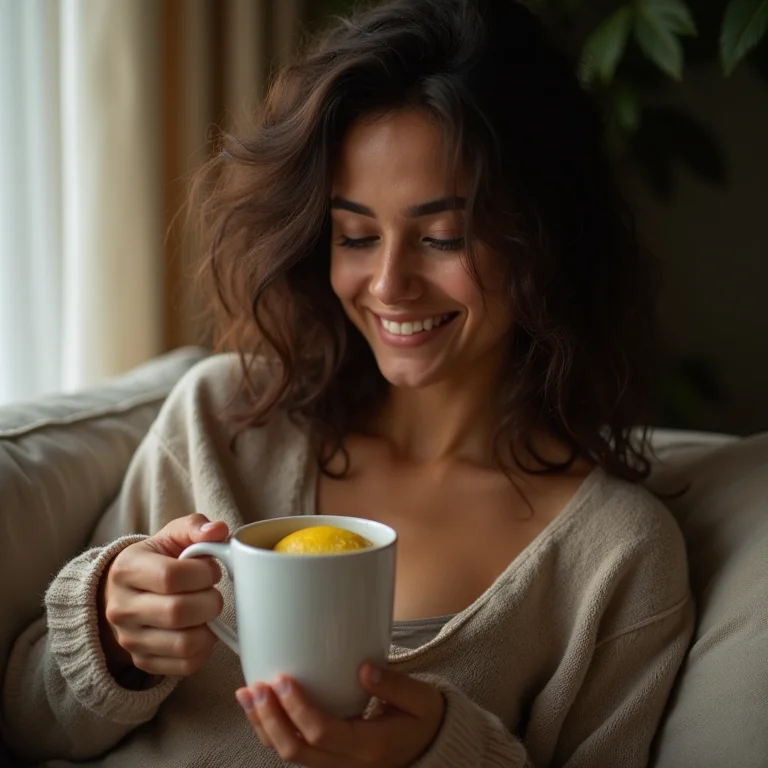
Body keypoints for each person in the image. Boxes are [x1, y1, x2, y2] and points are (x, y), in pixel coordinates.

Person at [2, 0, 694, 766]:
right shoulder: (222, 422)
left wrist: (440, 750)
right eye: (356, 236)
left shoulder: (617, 558)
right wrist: (111, 635)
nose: (390, 283)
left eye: (442, 238)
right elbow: (31, 721)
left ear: (548, 240)